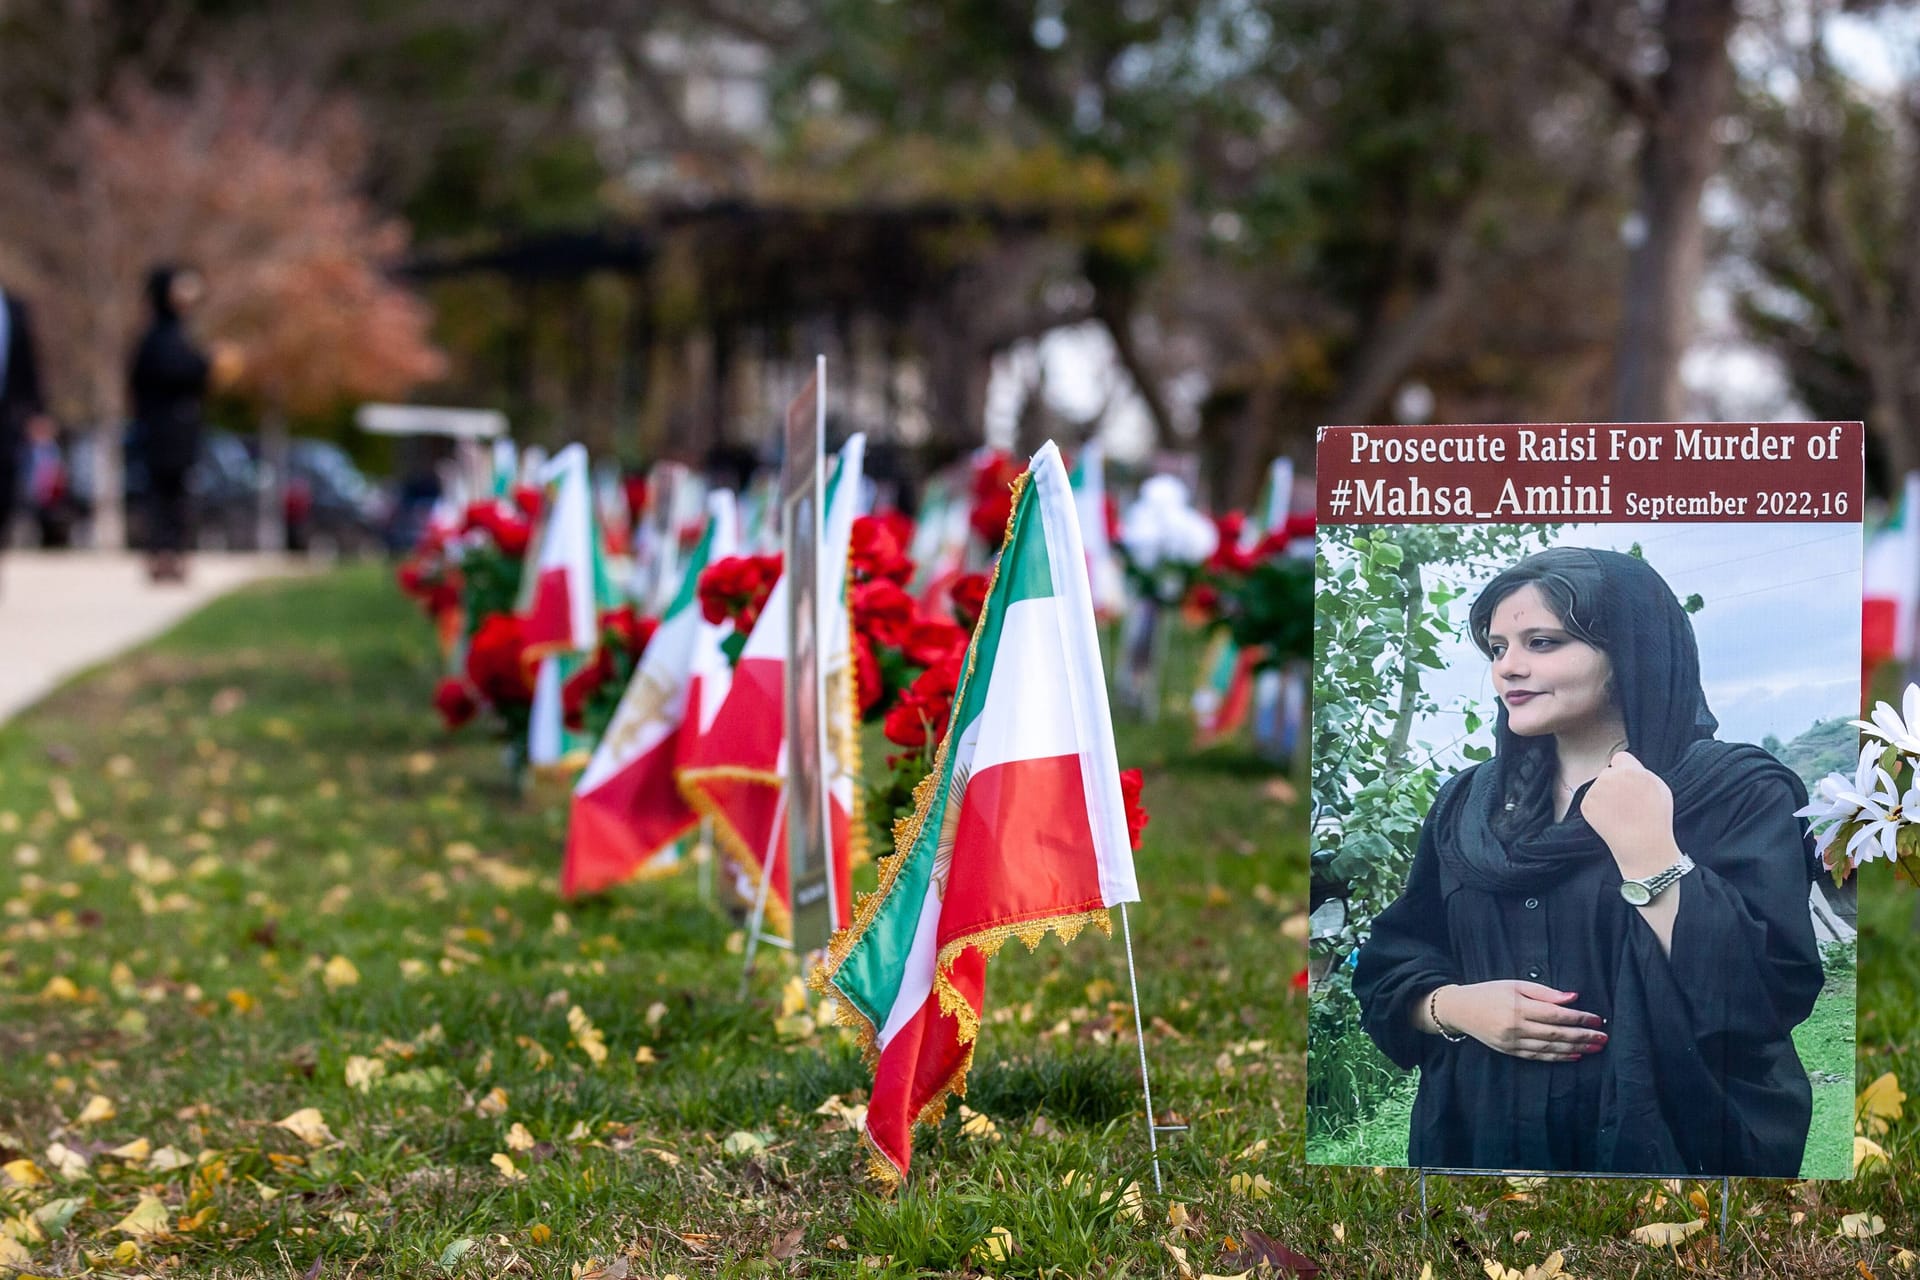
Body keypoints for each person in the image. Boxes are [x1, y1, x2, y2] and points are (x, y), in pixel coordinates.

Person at [1352, 547, 1825, 1176]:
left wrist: (1652, 854)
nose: (1508, 670)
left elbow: (1764, 998)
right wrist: (1456, 1008)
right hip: (1481, 1150)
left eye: (1542, 642)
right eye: (1497, 648)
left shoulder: (1735, 791)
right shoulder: (1468, 804)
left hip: (1678, 1150)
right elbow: (1393, 965)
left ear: (1629, 651)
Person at [129, 265, 212, 583]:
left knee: (177, 496)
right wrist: (205, 365)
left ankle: (174, 553)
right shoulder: (159, 337)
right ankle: (163, 554)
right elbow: (172, 371)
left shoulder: (178, 332)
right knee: (163, 496)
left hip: (178, 431)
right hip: (163, 432)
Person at [0, 283, 51, 572]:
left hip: (6, 416)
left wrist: (38, 413)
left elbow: (27, 365)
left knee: (5, 489)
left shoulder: (14, 308)